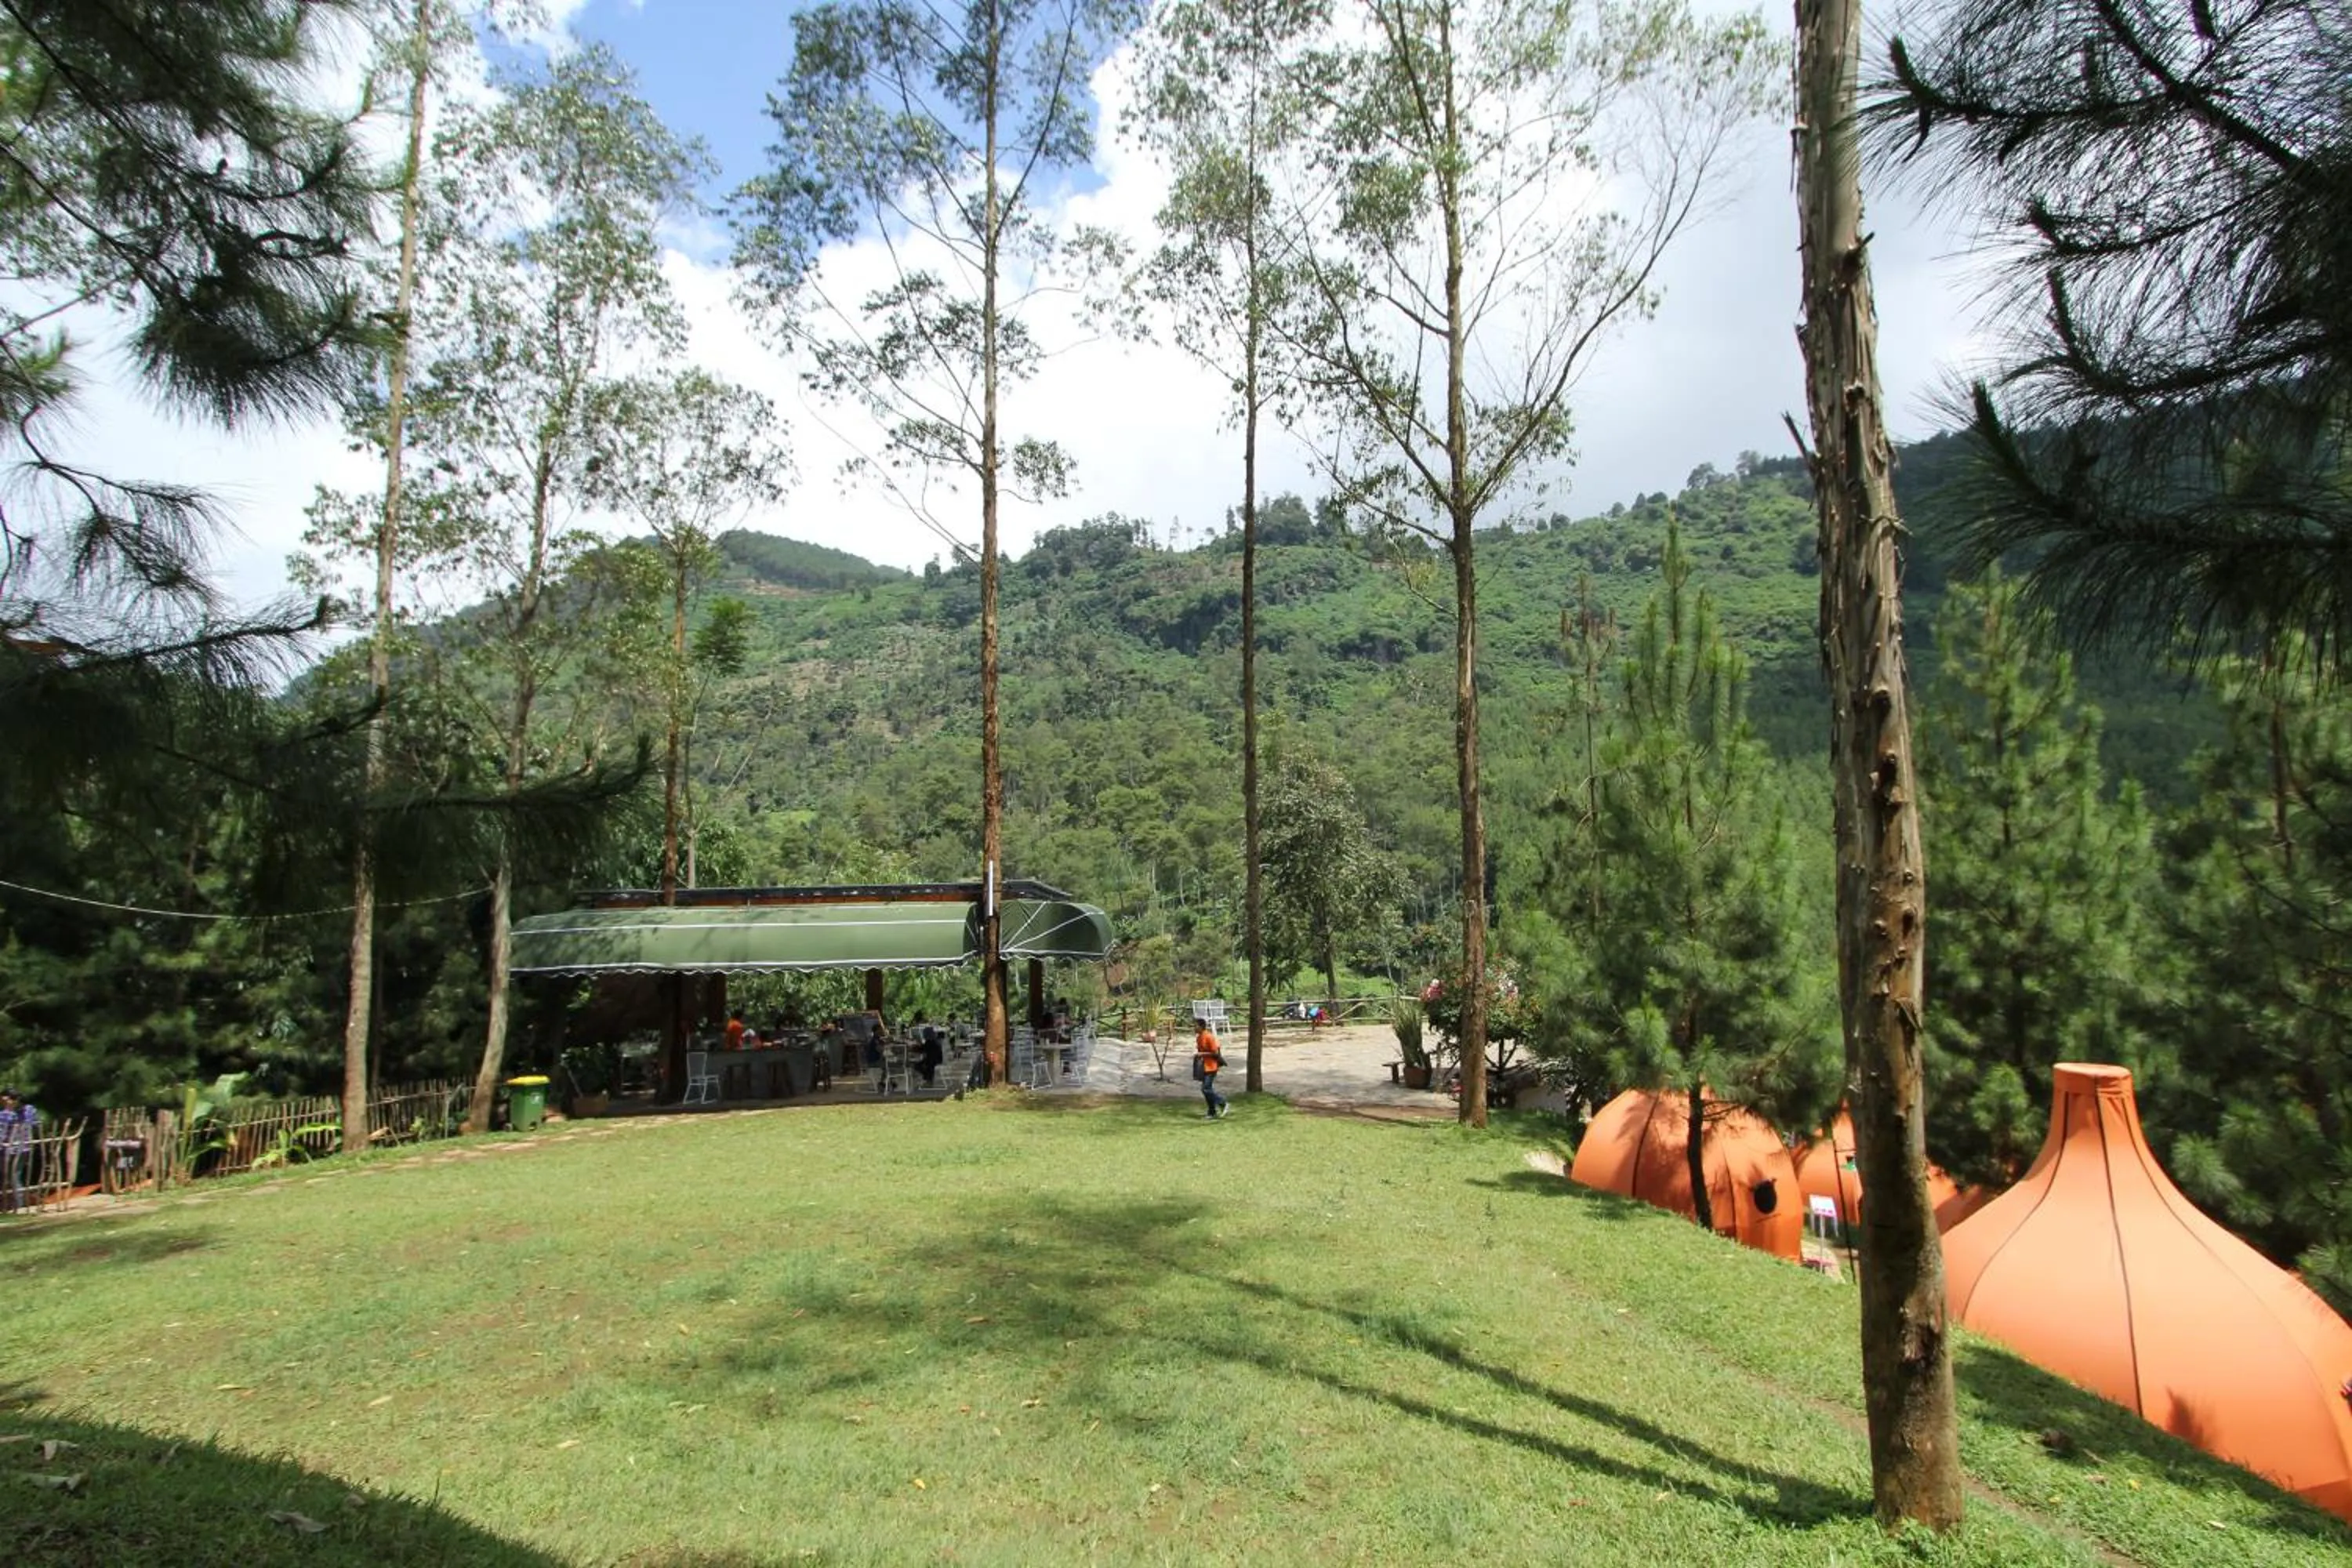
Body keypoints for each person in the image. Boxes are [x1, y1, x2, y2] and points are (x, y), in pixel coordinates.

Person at [0, 1089, 38, 1214]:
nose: (6, 1103)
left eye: (7, 1100)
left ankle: (19, 1205)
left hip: (16, 1148)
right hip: (16, 1148)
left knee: (14, 1176)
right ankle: (12, 1203)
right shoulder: (8, 1113)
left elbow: (3, 1133)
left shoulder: (11, 1113)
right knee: (12, 1176)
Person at [1192, 1022, 1229, 1120]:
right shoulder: (1199, 1038)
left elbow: (1215, 1053)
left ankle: (1222, 1103)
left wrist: (1202, 1054)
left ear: (1201, 1027)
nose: (1194, 1028)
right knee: (1207, 1090)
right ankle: (1212, 1112)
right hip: (1204, 1066)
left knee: (1206, 1088)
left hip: (1212, 1066)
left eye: (1196, 1026)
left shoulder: (1209, 1037)